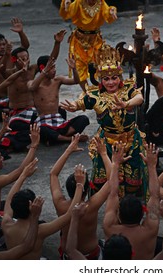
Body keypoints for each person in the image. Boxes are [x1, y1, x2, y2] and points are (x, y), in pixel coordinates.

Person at [60, 43, 147, 199]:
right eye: (106, 79)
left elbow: (140, 98)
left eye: (114, 78)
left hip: (131, 140)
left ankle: (130, 205)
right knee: (107, 180)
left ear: (120, 77)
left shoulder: (128, 89)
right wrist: (73, 106)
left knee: (133, 180)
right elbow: (80, 103)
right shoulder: (95, 95)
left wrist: (126, 104)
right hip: (107, 142)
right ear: (100, 80)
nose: (111, 82)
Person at [102, 143, 161, 260]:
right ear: (142, 214)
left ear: (118, 214)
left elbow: (113, 193)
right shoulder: (150, 228)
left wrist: (116, 164)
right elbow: (154, 196)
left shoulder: (109, 227)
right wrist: (152, 166)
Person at [28, 56, 89, 145]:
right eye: (52, 68)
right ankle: (69, 139)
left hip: (59, 121)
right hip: (43, 122)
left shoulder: (57, 80)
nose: (54, 70)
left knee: (84, 119)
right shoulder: (32, 83)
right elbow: (32, 87)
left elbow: (76, 81)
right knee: (42, 130)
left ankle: (57, 138)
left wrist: (74, 69)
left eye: (54, 67)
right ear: (42, 68)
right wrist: (44, 72)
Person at [58, 0, 117, 90]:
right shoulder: (79, 2)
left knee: (101, 66)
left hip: (95, 41)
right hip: (79, 40)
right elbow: (67, 13)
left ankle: (104, 91)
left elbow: (107, 14)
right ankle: (88, 93)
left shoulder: (101, 3)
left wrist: (111, 11)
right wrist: (66, 6)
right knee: (78, 67)